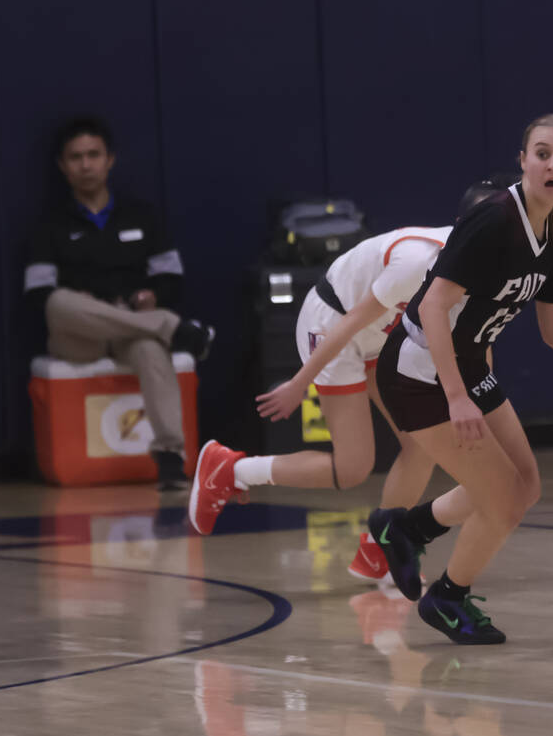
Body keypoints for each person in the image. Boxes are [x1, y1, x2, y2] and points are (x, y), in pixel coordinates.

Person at [186, 178, 511, 582]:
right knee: (353, 467)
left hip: (384, 333)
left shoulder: (495, 273)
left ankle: (380, 552)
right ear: (463, 225)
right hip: (333, 321)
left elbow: (478, 343)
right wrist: (298, 382)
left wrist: (482, 404)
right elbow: (354, 319)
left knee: (421, 446)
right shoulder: (417, 261)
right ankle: (231, 470)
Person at [368, 113, 553, 645]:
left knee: (527, 485)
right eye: (542, 152)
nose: (552, 164)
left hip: (468, 365)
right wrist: (457, 399)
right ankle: (446, 598)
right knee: (504, 501)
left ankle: (407, 527)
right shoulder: (496, 218)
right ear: (523, 159)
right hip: (420, 372)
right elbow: (432, 308)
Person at [23, 115, 214, 492]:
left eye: (94, 155)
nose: (86, 164)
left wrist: (153, 297)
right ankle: (174, 329)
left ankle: (171, 457)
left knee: (148, 347)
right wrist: (85, 304)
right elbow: (38, 296)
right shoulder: (49, 225)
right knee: (61, 301)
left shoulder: (141, 215)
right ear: (63, 166)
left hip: (131, 323)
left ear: (110, 159)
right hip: (77, 335)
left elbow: (171, 277)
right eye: (76, 157)